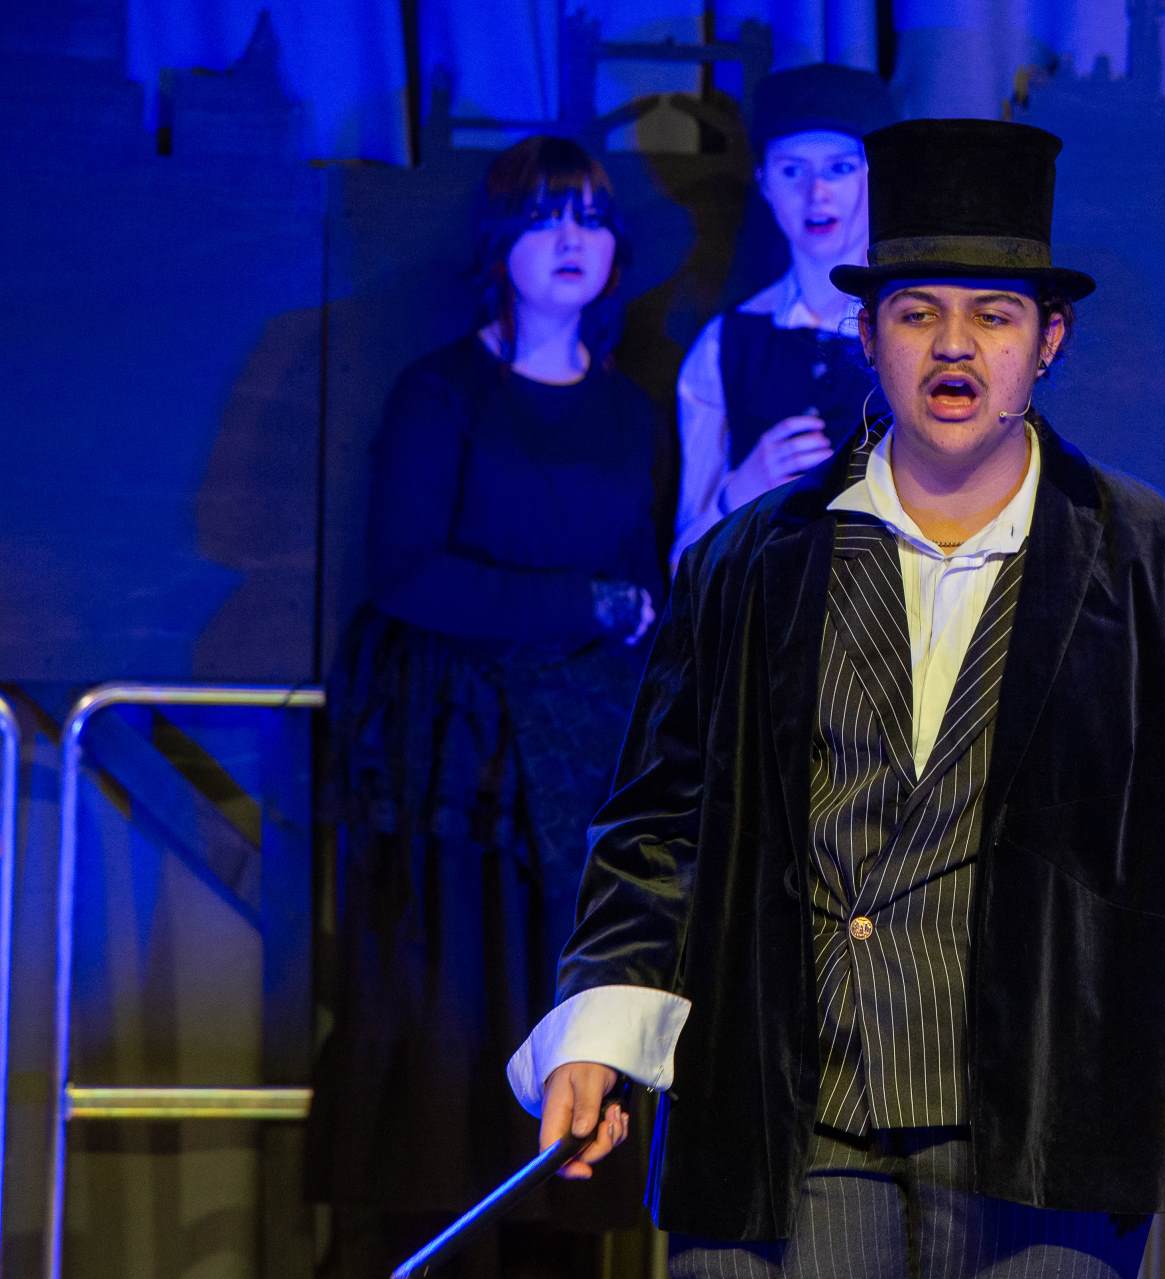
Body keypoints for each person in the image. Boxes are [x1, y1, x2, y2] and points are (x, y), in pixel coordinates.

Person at [509, 119, 1165, 1276]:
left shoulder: (1145, 557)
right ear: (867, 334)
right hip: (795, 1118)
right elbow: (659, 826)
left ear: (1048, 339)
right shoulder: (749, 563)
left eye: (995, 315)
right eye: (916, 313)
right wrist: (604, 1023)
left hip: (1049, 1124)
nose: (954, 346)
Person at [307, 135, 669, 1278]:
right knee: (448, 1033)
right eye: (547, 218)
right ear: (500, 241)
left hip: (581, 771)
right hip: (457, 774)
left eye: (592, 220)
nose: (571, 242)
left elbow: (642, 582)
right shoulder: (442, 391)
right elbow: (406, 572)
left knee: (569, 1024)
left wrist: (621, 612)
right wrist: (580, 603)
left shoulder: (630, 410)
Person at [670, 63, 896, 564]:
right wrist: (741, 489)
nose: (816, 193)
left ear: (875, 175)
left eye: (839, 169)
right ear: (765, 182)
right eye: (792, 171)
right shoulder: (726, 344)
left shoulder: (919, 329)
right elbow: (684, 562)